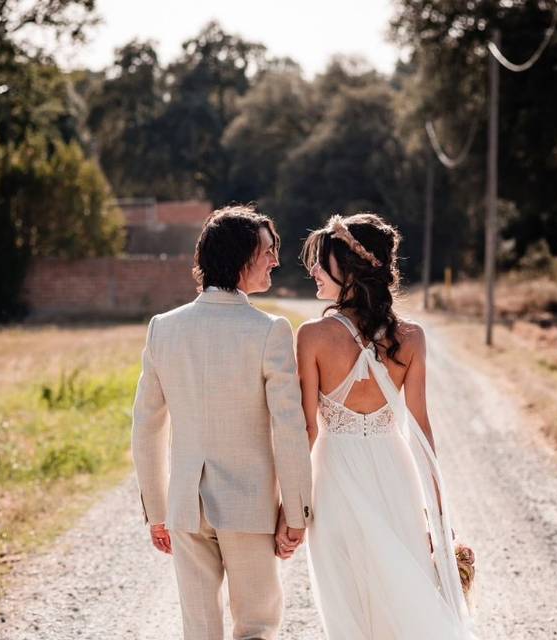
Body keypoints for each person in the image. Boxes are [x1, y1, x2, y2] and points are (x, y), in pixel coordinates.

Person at [290, 213, 476, 639]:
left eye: (324, 262)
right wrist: (437, 508)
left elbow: (308, 430)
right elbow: (420, 432)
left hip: (334, 475)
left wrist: (292, 504)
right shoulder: (411, 337)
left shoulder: (312, 337)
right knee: (400, 589)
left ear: (351, 272)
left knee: (347, 599)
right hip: (395, 473)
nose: (314, 271)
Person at [131, 204, 313, 640]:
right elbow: (289, 428)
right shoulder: (270, 331)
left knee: (199, 630)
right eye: (268, 251)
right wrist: (296, 510)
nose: (275, 260)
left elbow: (146, 427)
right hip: (248, 506)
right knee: (256, 627)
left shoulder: (163, 328)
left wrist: (157, 511)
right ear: (243, 256)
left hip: (185, 509)